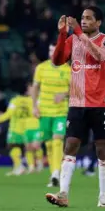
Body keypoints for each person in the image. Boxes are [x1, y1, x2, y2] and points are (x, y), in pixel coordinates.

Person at [45, 6, 105, 208]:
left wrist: (78, 33)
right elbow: (57, 60)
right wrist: (62, 34)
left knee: (101, 149)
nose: (83, 21)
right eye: (82, 18)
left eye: (89, 18)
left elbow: (100, 56)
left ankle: (103, 196)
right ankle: (63, 194)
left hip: (100, 104)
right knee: (70, 145)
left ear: (98, 22)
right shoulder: (73, 39)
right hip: (77, 103)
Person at [33, 44, 71, 188]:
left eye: (54, 50)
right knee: (48, 144)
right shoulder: (41, 68)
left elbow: (76, 89)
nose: (52, 53)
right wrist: (34, 106)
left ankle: (56, 173)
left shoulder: (67, 69)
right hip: (44, 111)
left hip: (61, 112)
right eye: (50, 50)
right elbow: (35, 88)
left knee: (57, 140)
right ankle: (54, 173)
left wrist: (64, 94)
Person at [0, 83, 35, 176]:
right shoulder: (31, 101)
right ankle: (30, 166)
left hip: (15, 128)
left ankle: (19, 166)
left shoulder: (15, 101)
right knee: (27, 148)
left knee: (13, 147)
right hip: (27, 128)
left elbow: (9, 114)